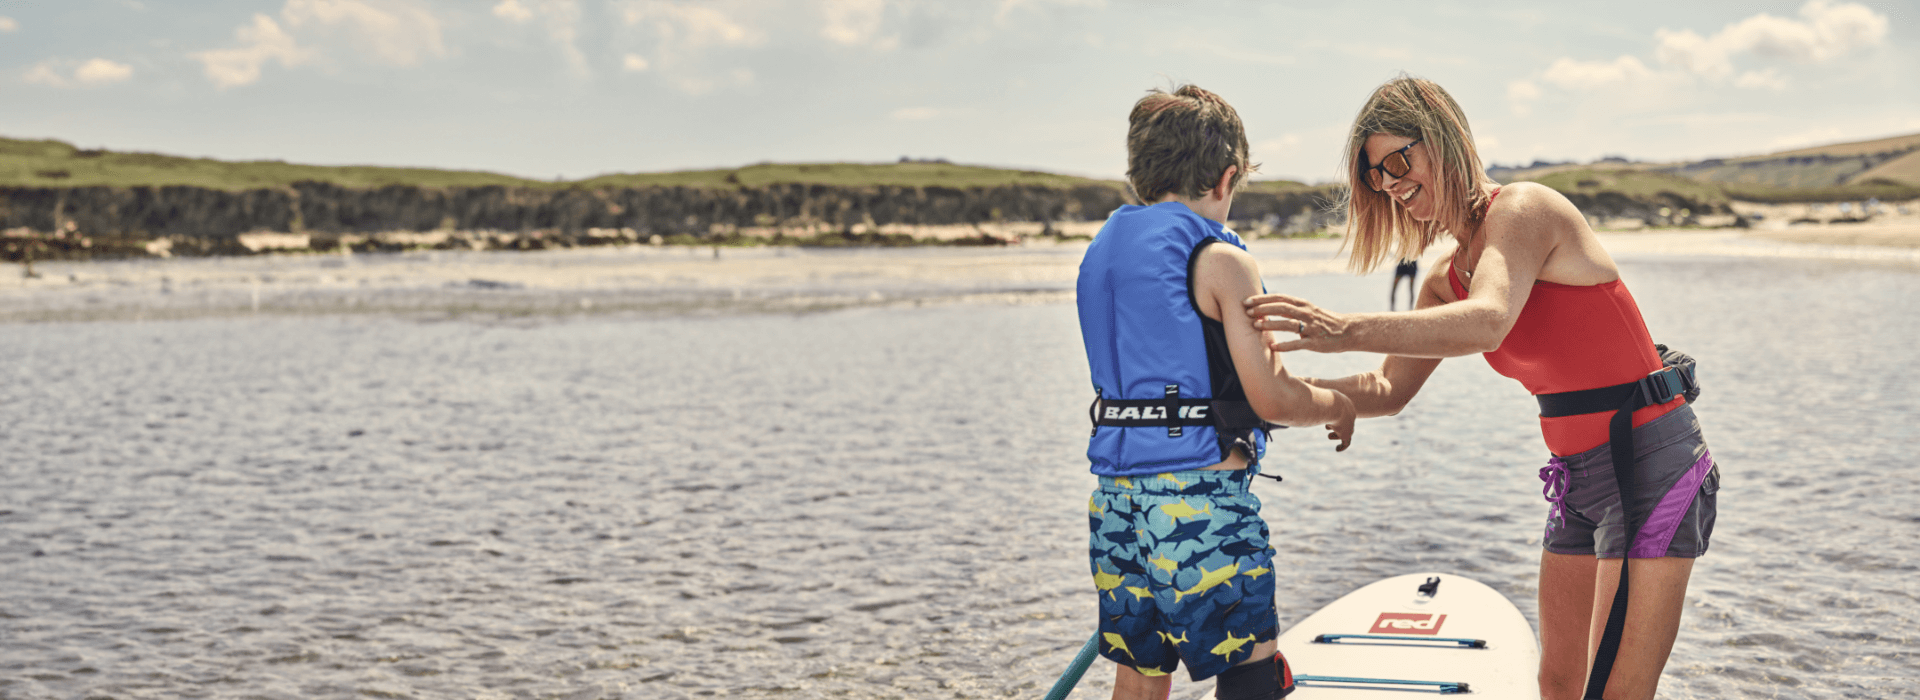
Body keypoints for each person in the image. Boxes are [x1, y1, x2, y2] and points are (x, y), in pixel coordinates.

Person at [1242, 76, 1719, 700]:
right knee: (1557, 682)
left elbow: (1492, 318)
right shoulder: (1445, 277)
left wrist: (1346, 327)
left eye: (1397, 161)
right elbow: (1388, 387)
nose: (1388, 183)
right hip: (1577, 478)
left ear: (1442, 136)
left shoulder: (1524, 209)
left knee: (1618, 691)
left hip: (1648, 462)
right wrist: (1272, 395)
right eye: (1375, 176)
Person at [1077, 84, 1357, 700]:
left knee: (1142, 671)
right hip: (1198, 502)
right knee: (1250, 669)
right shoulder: (1221, 260)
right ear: (1227, 178)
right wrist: (1338, 402)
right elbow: (1273, 398)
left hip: (1116, 503)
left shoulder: (1102, 251)